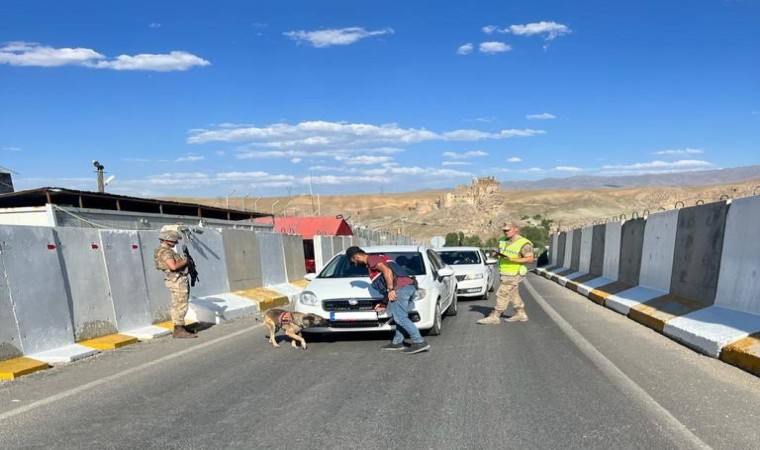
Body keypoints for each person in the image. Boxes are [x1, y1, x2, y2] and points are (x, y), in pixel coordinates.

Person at [345, 246, 430, 355]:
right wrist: (384, 302)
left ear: (356, 257)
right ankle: (398, 342)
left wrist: (391, 290)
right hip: (408, 287)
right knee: (399, 315)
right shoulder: (380, 258)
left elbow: (387, 271)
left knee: (400, 318)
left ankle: (419, 342)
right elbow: (387, 278)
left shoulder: (372, 259)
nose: (355, 264)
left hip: (401, 289)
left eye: (353, 262)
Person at [477, 223, 534, 324]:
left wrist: (511, 259)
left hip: (515, 272)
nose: (505, 232)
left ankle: (495, 315)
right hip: (504, 272)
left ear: (516, 229)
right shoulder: (503, 240)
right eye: (504, 230)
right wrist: (497, 255)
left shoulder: (524, 243)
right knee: (513, 294)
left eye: (508, 230)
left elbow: (530, 259)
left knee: (502, 293)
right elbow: (503, 253)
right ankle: (520, 313)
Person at [154, 230, 197, 338]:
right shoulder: (166, 252)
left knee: (177, 304)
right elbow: (173, 266)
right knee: (180, 305)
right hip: (177, 280)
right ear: (168, 239)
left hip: (175, 280)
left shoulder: (161, 250)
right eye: (175, 241)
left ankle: (180, 327)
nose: (176, 243)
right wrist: (185, 261)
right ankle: (178, 330)